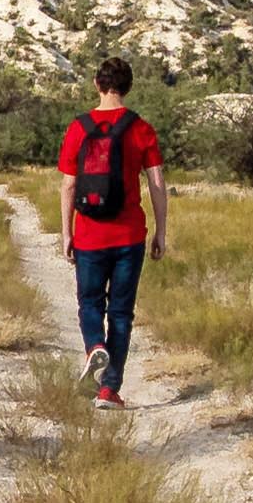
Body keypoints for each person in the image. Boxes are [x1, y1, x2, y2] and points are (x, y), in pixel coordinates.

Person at [55, 56, 165, 407]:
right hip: (130, 235)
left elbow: (69, 186)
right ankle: (109, 389)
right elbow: (158, 183)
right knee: (121, 312)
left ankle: (94, 347)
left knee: (89, 303)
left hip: (89, 235)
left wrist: (66, 232)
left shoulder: (79, 127)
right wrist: (160, 232)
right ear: (128, 86)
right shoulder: (141, 128)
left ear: (96, 83)